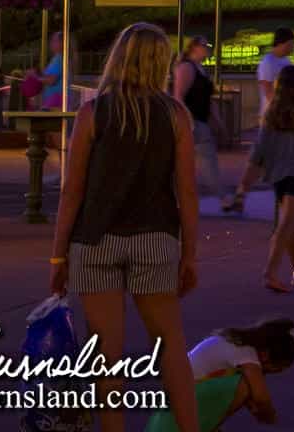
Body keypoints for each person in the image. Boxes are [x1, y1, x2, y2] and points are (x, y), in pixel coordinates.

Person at [48, 22, 200, 432]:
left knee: (106, 356)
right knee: (169, 348)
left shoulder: (93, 113)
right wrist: (190, 253)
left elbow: (72, 191)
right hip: (156, 238)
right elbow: (186, 192)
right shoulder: (175, 116)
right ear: (161, 63)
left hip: (95, 239)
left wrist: (58, 254)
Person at [228, 65, 294, 291]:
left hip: (277, 176)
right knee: (287, 223)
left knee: (290, 225)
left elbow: (258, 154)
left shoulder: (271, 115)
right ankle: (270, 271)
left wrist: (243, 188)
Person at [147, 318, 294, 432]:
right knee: (245, 386)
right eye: (277, 368)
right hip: (176, 411)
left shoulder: (236, 343)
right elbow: (260, 396)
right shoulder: (247, 355)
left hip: (172, 407)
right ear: (265, 355)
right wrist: (271, 415)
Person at [171, 36, 221, 197]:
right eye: (205, 45)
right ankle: (222, 197)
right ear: (194, 48)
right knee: (205, 160)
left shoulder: (200, 69)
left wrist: (217, 120)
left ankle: (220, 196)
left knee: (197, 161)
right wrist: (188, 121)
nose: (207, 49)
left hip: (199, 121)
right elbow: (178, 96)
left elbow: (208, 99)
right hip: (192, 122)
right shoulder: (186, 67)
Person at [257, 28, 294, 116]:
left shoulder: (287, 61)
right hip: (271, 115)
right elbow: (268, 90)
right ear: (281, 43)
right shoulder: (268, 62)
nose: (292, 47)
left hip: (285, 113)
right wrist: (279, 111)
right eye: (290, 44)